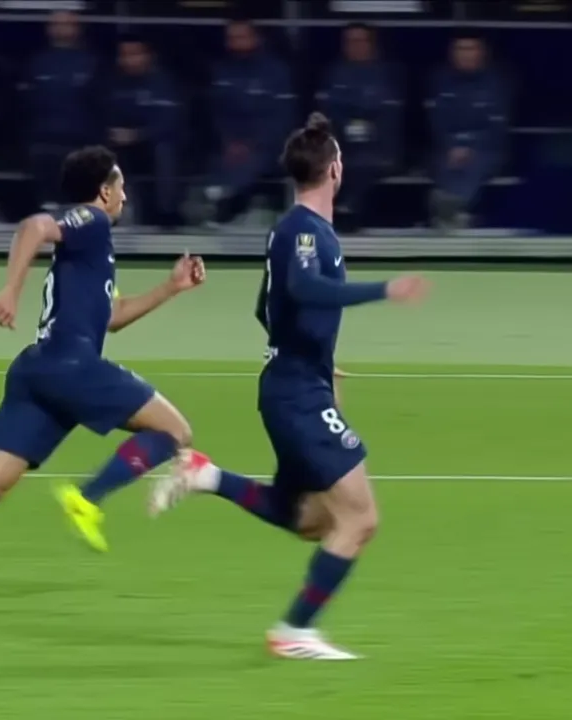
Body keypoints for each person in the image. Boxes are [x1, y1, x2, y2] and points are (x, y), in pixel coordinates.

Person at [148, 113, 426, 660]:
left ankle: (207, 476)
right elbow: (303, 288)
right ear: (335, 170)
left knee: (311, 520)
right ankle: (295, 631)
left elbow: (266, 307)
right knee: (361, 519)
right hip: (297, 395)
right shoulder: (302, 230)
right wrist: (383, 290)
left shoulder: (303, 230)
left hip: (295, 386)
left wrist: (316, 358)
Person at [0, 146, 206, 553]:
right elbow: (33, 226)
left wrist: (171, 287)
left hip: (39, 370)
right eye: (121, 186)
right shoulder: (92, 221)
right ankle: (87, 501)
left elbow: (113, 316)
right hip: (72, 365)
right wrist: (11, 290)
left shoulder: (91, 249)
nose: (125, 195)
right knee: (174, 432)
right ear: (105, 191)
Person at [204, 18, 295, 225]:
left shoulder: (276, 70)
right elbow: (217, 113)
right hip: (230, 143)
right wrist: (229, 141)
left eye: (242, 36)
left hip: (268, 144)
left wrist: (254, 143)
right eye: (232, 37)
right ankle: (221, 203)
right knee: (220, 160)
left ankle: (227, 204)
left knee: (252, 162)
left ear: (256, 38)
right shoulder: (222, 71)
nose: (236, 42)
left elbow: (283, 117)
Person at [316, 22, 404, 231]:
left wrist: (361, 126)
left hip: (379, 145)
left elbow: (390, 115)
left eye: (361, 40)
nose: (355, 45)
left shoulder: (389, 73)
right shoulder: (333, 73)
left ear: (372, 44)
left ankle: (350, 210)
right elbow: (328, 111)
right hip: (341, 142)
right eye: (350, 41)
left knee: (361, 162)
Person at [425, 35, 508, 230]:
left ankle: (452, 205)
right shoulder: (439, 80)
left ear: (482, 53)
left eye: (471, 49)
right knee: (445, 163)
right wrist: (452, 145)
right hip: (446, 148)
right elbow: (435, 122)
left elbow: (497, 127)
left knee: (473, 163)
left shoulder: (497, 82)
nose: (466, 54)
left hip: (487, 149)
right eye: (461, 49)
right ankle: (455, 212)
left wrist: (469, 146)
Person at [22, 10, 100, 210]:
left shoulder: (92, 62)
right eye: (56, 24)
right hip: (43, 136)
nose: (61, 29)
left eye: (67, 24)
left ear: (78, 27)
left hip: (81, 137)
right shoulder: (37, 62)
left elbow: (99, 103)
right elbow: (27, 102)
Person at [104, 35, 182, 227]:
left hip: (156, 143)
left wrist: (138, 135)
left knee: (165, 152)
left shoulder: (164, 83)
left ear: (148, 55)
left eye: (135, 54)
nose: (129, 60)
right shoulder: (112, 83)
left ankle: (166, 215)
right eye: (124, 55)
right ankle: (112, 213)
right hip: (121, 144)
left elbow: (170, 123)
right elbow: (101, 116)